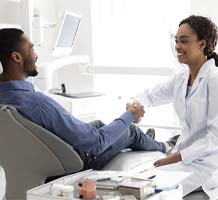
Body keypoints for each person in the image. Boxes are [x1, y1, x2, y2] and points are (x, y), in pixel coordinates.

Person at [0, 28, 168, 170]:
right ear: (17, 57)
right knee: (130, 130)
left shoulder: (6, 99)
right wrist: (130, 115)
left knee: (100, 125)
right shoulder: (36, 102)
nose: (36, 56)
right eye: (31, 48)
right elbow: (96, 143)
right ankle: (166, 146)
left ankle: (146, 141)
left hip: (36, 160)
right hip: (75, 159)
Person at [136, 15, 218, 199]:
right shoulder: (181, 78)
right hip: (183, 159)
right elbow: (151, 95)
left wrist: (175, 157)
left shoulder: (215, 80)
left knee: (156, 193)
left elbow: (215, 138)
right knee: (141, 185)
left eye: (184, 41)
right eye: (176, 41)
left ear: (202, 44)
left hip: (207, 165)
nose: (177, 46)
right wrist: (134, 104)